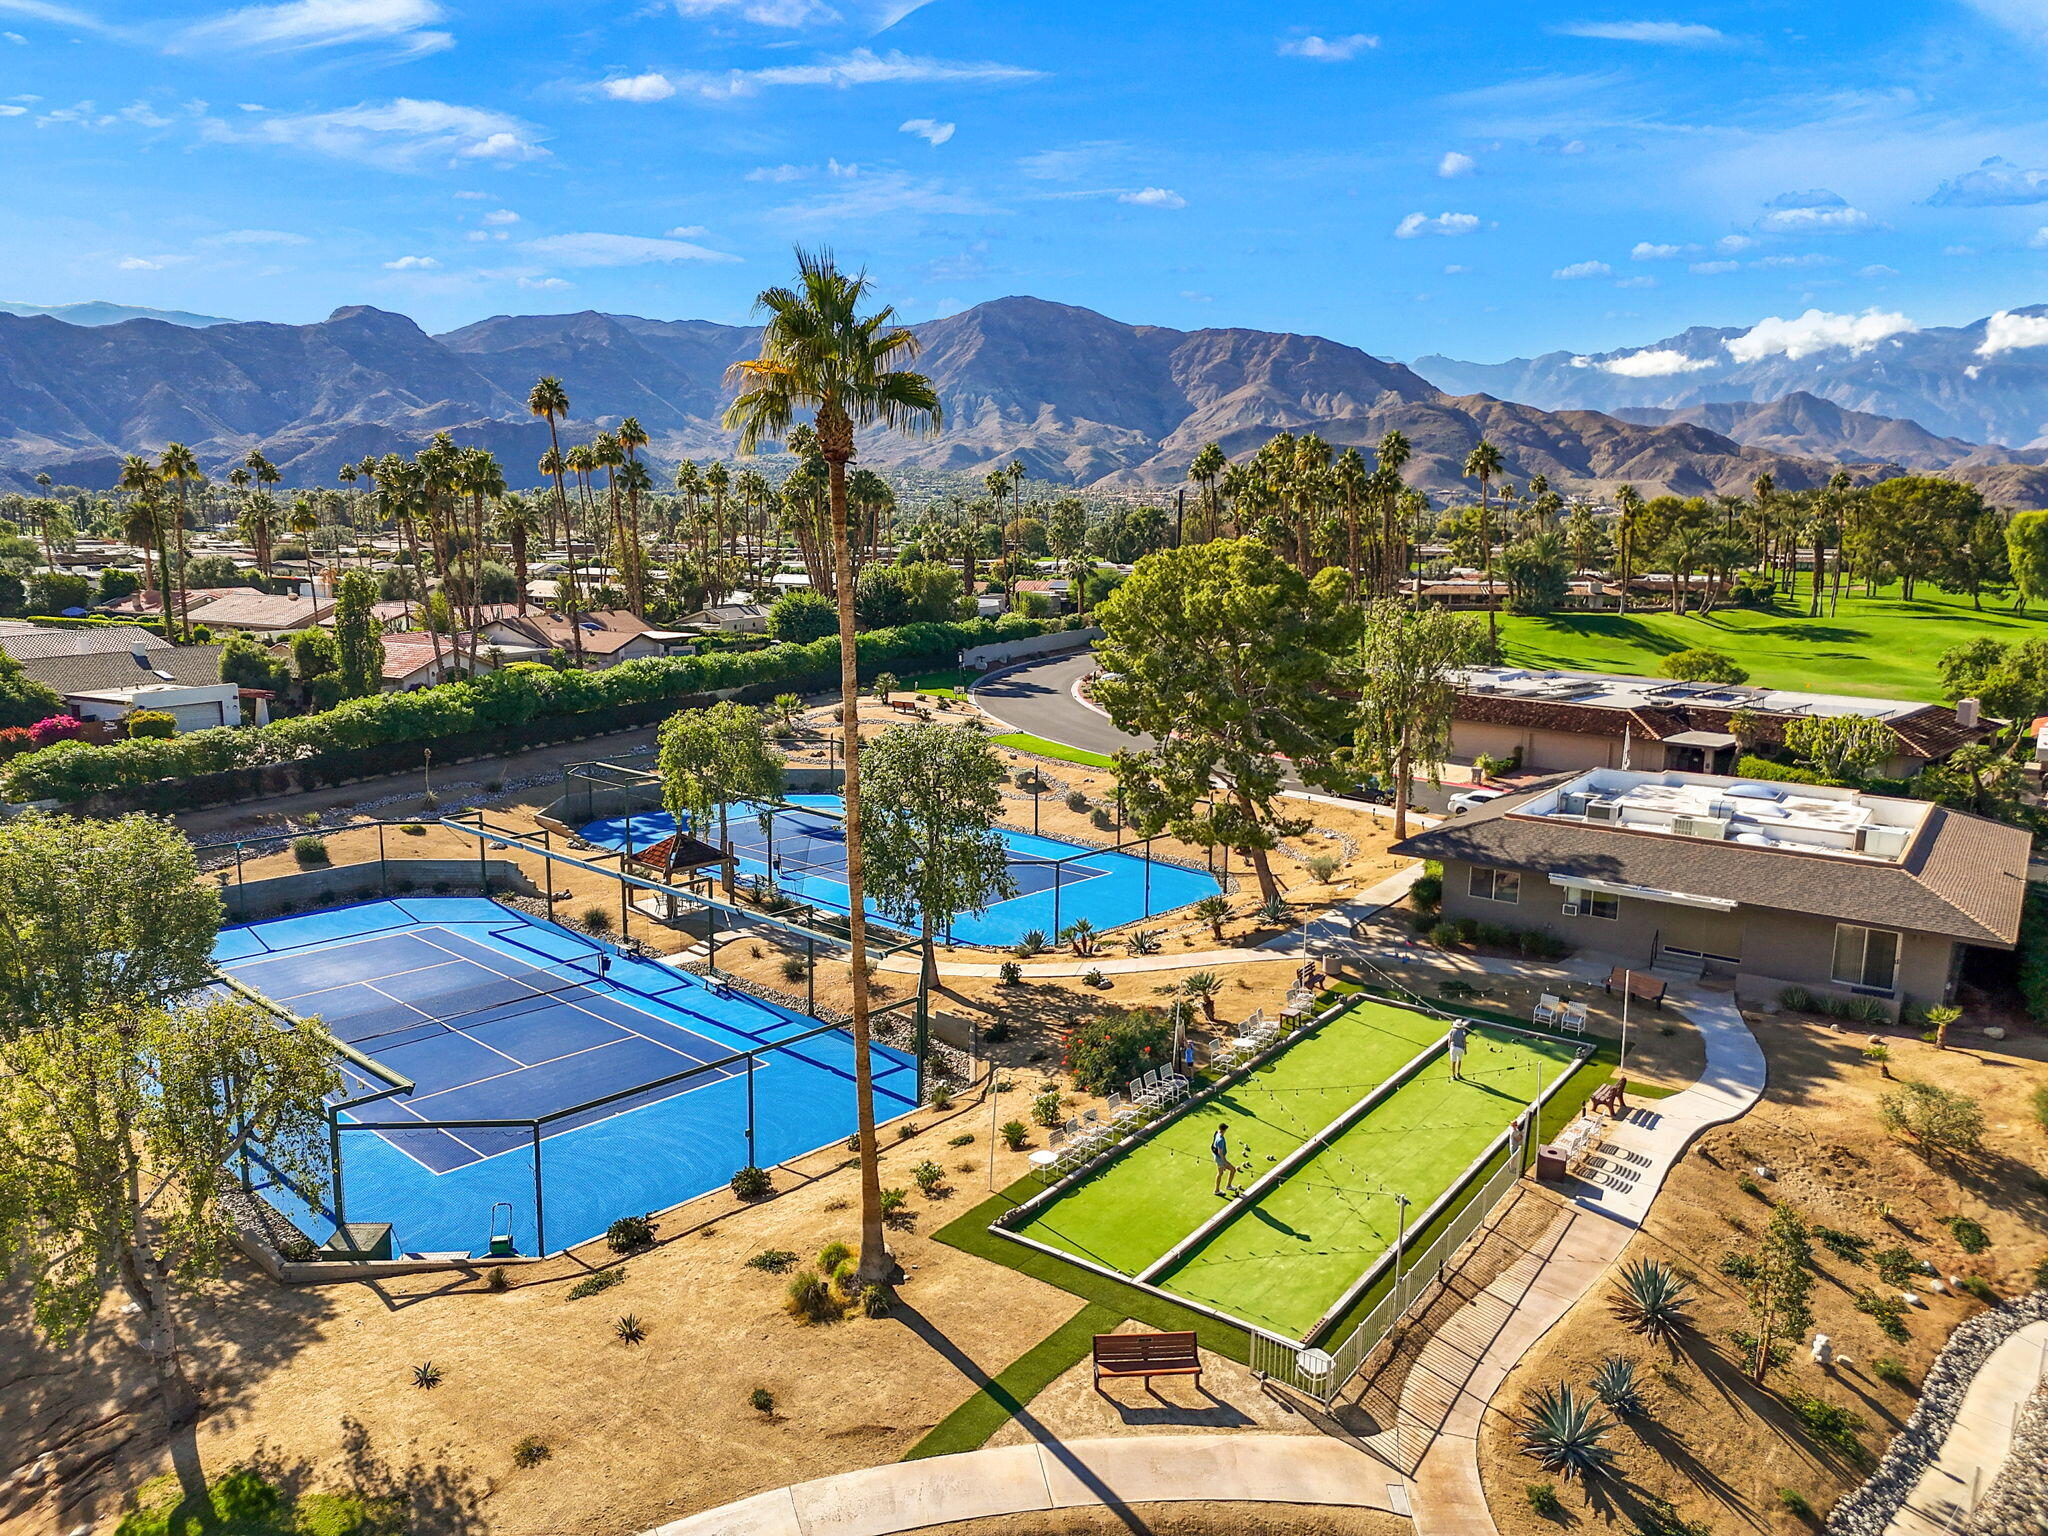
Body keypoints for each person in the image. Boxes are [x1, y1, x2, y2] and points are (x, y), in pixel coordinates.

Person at [1211, 1122, 1240, 1196]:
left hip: (1217, 1157)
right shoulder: (1220, 1139)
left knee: (1220, 1173)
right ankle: (1226, 1187)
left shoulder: (1217, 1133)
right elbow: (1220, 1152)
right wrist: (1224, 1162)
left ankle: (1219, 1189)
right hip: (1220, 1158)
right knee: (1233, 1170)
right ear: (1224, 1130)